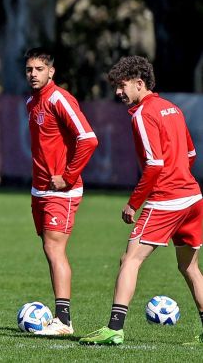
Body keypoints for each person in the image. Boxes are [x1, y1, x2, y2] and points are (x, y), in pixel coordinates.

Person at [80, 56, 203, 346]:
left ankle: (114, 328)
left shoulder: (143, 114)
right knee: (190, 267)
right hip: (193, 197)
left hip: (167, 199)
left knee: (130, 259)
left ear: (139, 83)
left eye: (122, 86)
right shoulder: (172, 108)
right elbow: (190, 155)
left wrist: (134, 203)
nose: (118, 93)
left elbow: (154, 164)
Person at [25, 47, 98, 336]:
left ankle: (64, 320)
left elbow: (89, 139)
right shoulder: (31, 101)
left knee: (55, 250)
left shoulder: (59, 98)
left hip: (62, 190)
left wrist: (67, 177)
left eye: (39, 69)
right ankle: (60, 317)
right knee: (48, 249)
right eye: (29, 69)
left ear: (51, 71)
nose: (33, 74)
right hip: (39, 189)